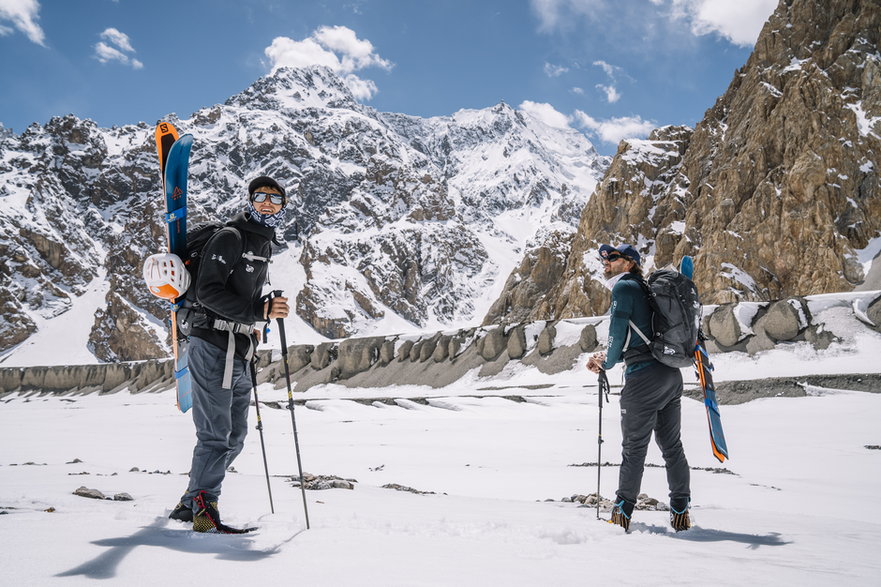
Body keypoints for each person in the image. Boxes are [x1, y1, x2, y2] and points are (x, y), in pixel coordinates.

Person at [167, 176, 290, 533]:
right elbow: (207, 292)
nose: (267, 203)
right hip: (211, 345)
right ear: (250, 200)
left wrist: (260, 312)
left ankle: (190, 503)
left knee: (234, 436)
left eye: (275, 199)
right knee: (215, 435)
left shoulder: (263, 244)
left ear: (283, 207)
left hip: (240, 350)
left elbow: (244, 300)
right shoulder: (231, 237)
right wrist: (259, 312)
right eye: (261, 197)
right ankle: (204, 514)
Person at [586, 243, 691, 532]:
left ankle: (621, 517)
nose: (605, 261)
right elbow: (637, 339)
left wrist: (605, 363)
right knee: (672, 447)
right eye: (603, 258)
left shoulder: (624, 289)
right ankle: (681, 516)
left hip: (643, 379)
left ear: (629, 263)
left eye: (613, 257)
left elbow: (618, 332)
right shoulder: (645, 290)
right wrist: (607, 357)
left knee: (634, 449)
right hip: (669, 375)